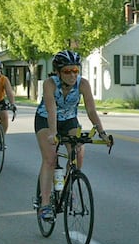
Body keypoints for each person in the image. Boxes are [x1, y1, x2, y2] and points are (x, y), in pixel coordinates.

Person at [34, 50, 111, 221]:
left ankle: (67, 187)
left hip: (69, 120)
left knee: (78, 152)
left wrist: (102, 133)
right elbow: (51, 110)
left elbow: (91, 110)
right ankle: (45, 204)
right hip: (46, 120)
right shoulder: (49, 84)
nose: (72, 75)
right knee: (50, 158)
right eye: (67, 71)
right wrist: (53, 133)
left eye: (75, 70)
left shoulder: (83, 84)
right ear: (58, 72)